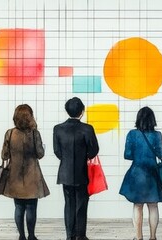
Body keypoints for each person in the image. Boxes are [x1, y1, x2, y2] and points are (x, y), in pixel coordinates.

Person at [1, 104, 50, 240]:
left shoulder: (10, 133)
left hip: (14, 175)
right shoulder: (35, 133)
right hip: (32, 175)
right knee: (31, 207)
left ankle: (21, 236)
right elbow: (40, 154)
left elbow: (4, 155)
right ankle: (32, 236)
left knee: (18, 207)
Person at [53, 97, 99, 240]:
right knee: (82, 204)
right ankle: (81, 235)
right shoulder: (87, 128)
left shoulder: (58, 129)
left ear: (67, 110)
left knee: (69, 204)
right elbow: (94, 150)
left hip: (65, 172)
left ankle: (69, 235)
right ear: (82, 112)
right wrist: (84, 157)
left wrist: (67, 159)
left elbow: (57, 151)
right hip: (81, 172)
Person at [119, 107, 162, 240]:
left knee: (137, 206)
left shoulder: (132, 134)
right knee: (153, 205)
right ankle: (153, 237)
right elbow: (160, 153)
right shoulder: (157, 135)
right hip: (152, 174)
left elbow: (127, 155)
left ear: (138, 119)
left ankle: (138, 237)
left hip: (136, 173)